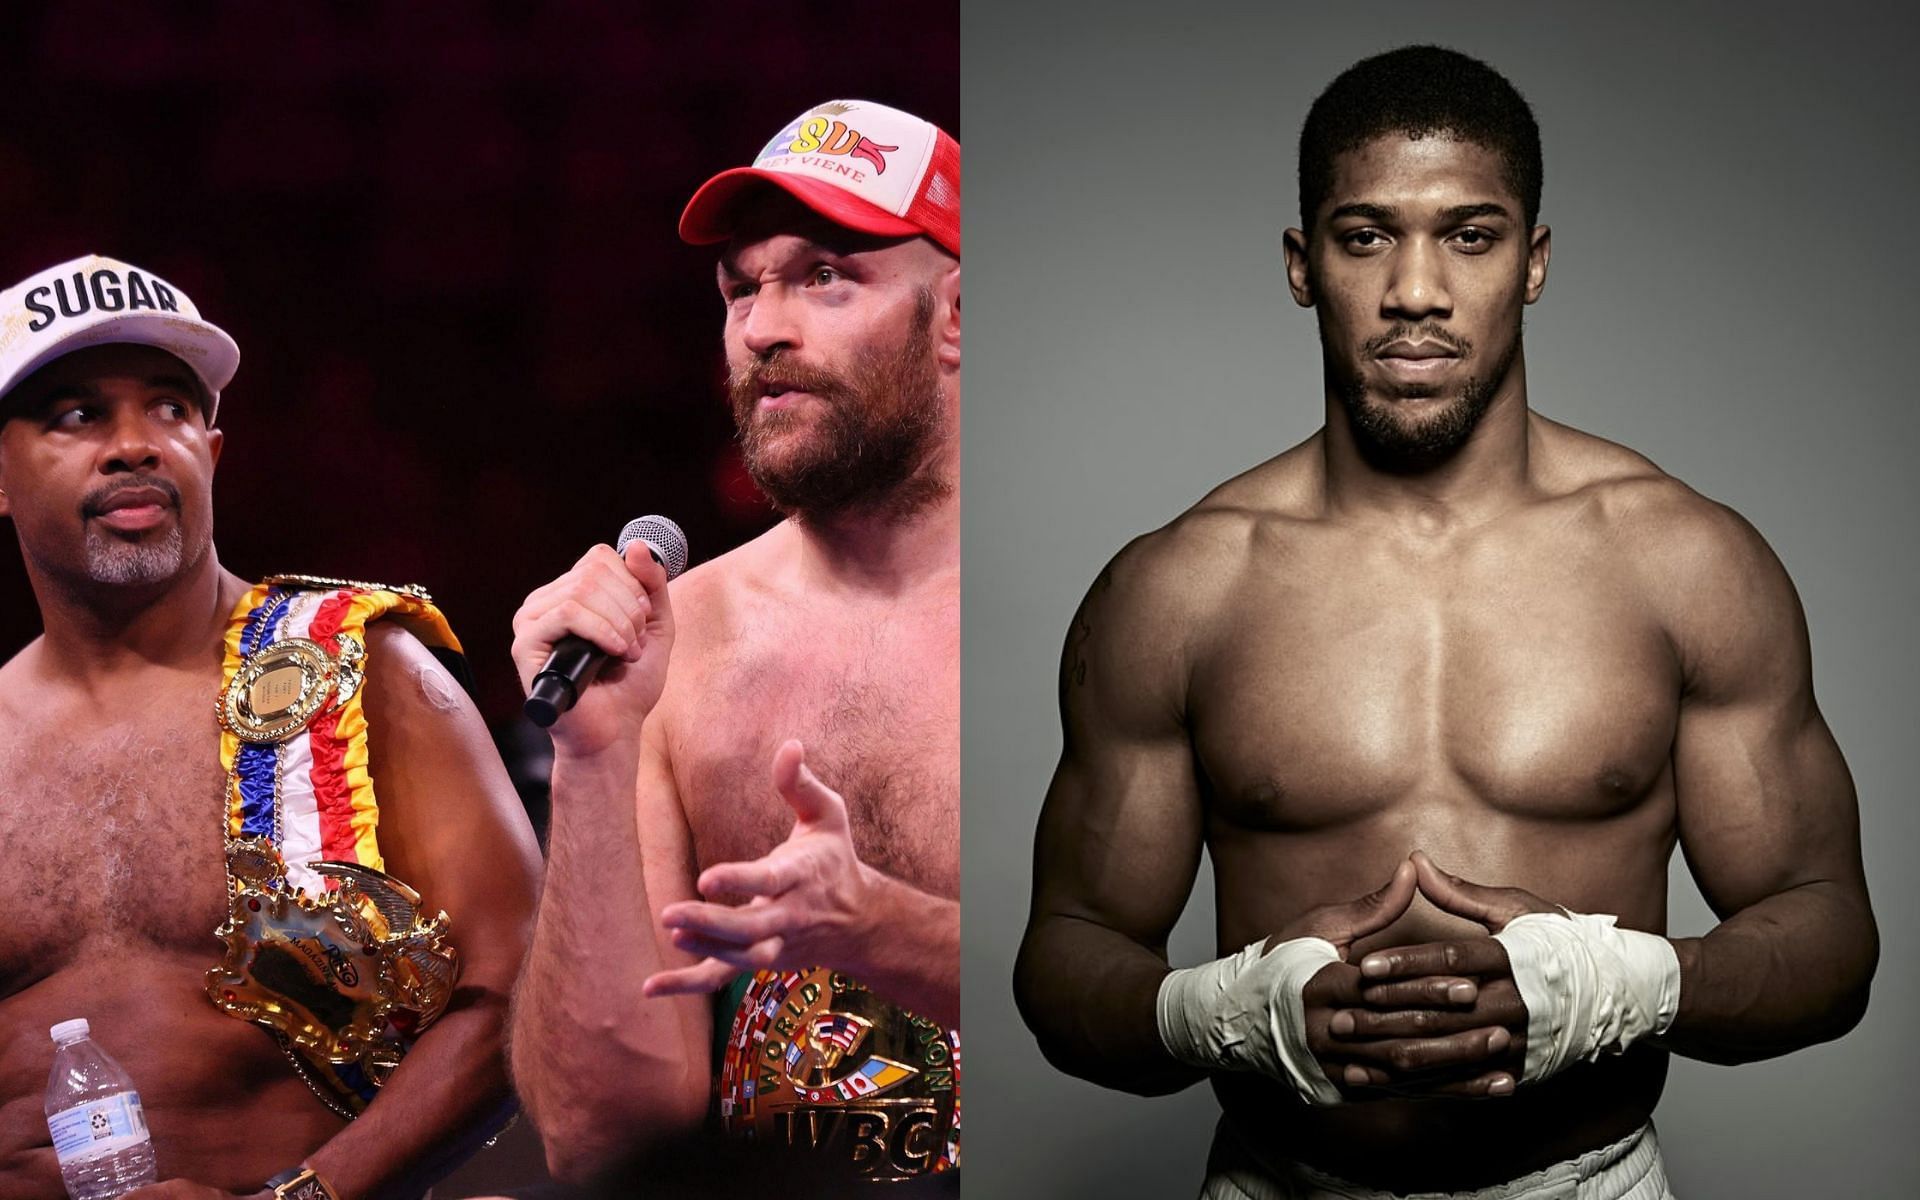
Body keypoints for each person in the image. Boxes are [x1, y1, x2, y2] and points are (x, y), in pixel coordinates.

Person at [1013, 46, 1876, 1200]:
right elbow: (1065, 955)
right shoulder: (1181, 590)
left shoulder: (1687, 565)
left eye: (1469, 235)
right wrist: (1223, 1012)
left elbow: (1830, 941)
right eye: (1365, 235)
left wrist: (1619, 986)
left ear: (1534, 262)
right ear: (1300, 264)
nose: (1415, 290)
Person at [0, 255, 543, 1200]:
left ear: (211, 452)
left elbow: (517, 990)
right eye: (79, 414)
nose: (136, 445)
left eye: (169, 408)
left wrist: (302, 1199)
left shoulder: (361, 669)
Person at [507, 99, 962, 1188]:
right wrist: (595, 756)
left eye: (823, 276)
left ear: (957, 315)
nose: (762, 328)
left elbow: (1189, 1018)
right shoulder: (684, 644)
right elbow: (598, 1135)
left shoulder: (1098, 604)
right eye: (740, 288)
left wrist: (877, 926)